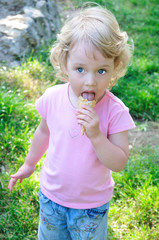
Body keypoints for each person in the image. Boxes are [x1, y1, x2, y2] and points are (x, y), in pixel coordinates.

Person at [8, 4, 136, 240]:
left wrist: (97, 135)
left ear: (114, 67)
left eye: (101, 71)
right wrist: (29, 164)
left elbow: (118, 162)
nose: (90, 82)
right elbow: (43, 133)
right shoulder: (53, 98)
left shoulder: (115, 111)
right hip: (52, 197)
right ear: (64, 64)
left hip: (91, 206)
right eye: (80, 69)